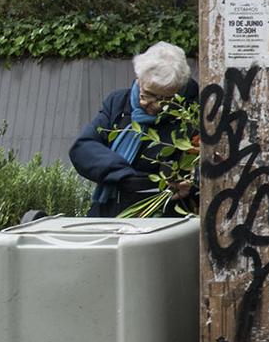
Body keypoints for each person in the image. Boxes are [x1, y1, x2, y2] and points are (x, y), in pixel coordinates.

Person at [70, 42, 199, 217]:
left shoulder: (192, 115)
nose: (155, 105)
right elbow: (83, 147)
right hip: (109, 211)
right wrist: (125, 176)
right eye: (148, 94)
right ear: (138, 79)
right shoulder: (118, 102)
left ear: (179, 90)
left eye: (166, 98)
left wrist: (193, 184)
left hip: (163, 219)